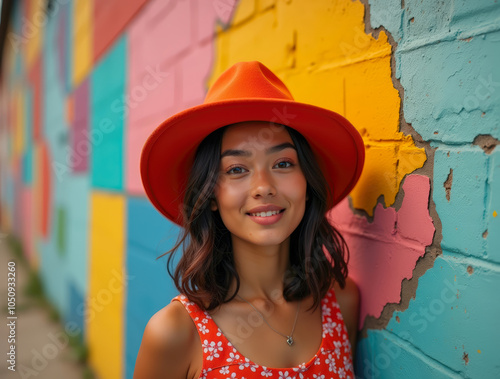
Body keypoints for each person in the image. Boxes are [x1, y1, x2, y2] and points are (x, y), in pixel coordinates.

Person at [134, 61, 365, 378]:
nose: (264, 187)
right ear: (211, 196)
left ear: (307, 184)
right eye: (236, 170)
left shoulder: (342, 301)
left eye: (283, 163)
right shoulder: (174, 333)